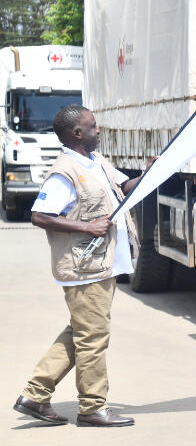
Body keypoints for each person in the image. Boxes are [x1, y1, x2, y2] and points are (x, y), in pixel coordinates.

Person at [13, 104, 142, 427]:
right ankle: (92, 407)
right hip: (84, 267)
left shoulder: (95, 162)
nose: (99, 130)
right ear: (78, 133)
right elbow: (39, 216)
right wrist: (87, 227)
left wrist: (152, 173)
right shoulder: (65, 171)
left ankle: (35, 394)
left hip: (102, 265)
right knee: (93, 338)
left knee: (81, 333)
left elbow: (124, 188)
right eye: (93, 126)